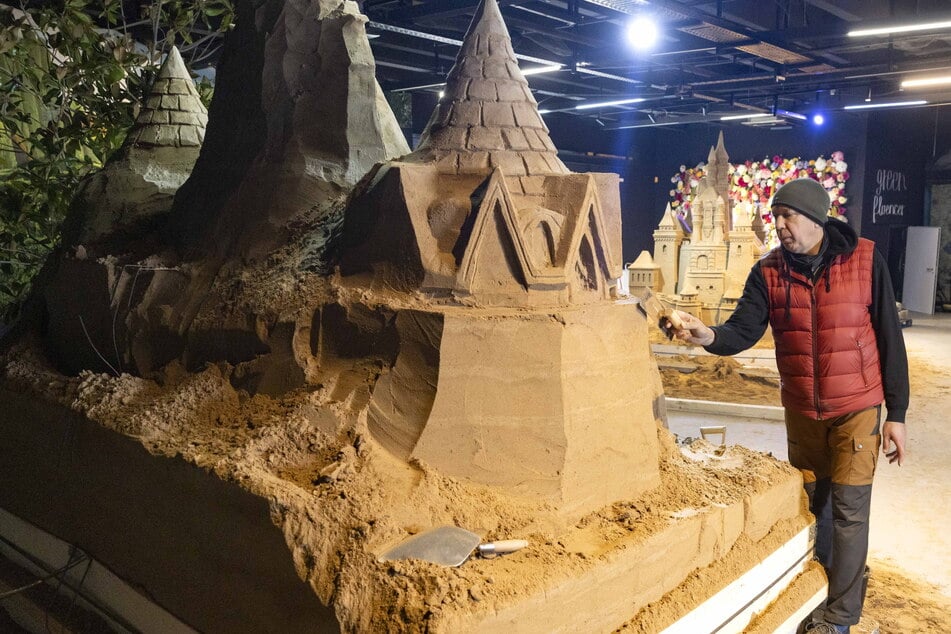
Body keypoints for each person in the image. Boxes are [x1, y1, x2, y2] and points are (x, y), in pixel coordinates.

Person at [667, 177, 908, 634]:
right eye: (775, 216)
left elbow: (890, 340)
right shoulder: (769, 271)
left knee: (850, 510)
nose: (778, 225)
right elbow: (742, 330)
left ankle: (838, 618)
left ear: (816, 219)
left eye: (788, 216)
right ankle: (832, 586)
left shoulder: (864, 259)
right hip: (802, 410)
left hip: (857, 407)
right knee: (817, 505)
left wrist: (896, 413)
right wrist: (707, 336)